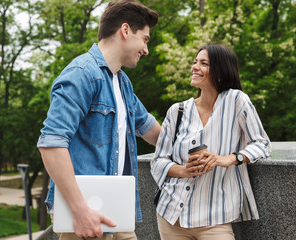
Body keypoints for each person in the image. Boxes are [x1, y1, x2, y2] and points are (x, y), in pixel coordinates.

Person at [37, 1, 160, 239]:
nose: (146, 49)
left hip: (117, 209)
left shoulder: (122, 83)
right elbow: (51, 145)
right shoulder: (81, 74)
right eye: (145, 39)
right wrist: (80, 209)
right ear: (125, 31)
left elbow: (153, 133)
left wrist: (201, 149)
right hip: (86, 211)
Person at [151, 44, 272, 240]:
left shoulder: (236, 101)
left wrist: (229, 159)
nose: (195, 67)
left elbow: (262, 144)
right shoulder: (177, 111)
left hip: (215, 218)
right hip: (172, 216)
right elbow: (158, 161)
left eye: (203, 63)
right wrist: (183, 170)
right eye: (195, 62)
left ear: (221, 72)